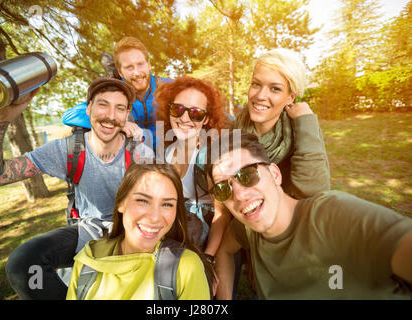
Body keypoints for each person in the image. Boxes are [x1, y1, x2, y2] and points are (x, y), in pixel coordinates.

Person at [0, 78, 153, 299]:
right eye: (103, 104)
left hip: (131, 232)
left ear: (127, 115)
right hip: (86, 232)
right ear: (89, 108)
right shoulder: (68, 150)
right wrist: (0, 118)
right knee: (23, 264)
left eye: (119, 108)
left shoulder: (142, 154)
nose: (111, 115)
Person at [207, 131, 412, 299]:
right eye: (223, 189)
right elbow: (225, 250)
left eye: (247, 175)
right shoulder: (247, 228)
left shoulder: (333, 215)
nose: (240, 195)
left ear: (275, 174)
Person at [66, 163, 212, 299]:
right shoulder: (87, 261)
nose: (155, 217)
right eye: (142, 201)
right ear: (121, 203)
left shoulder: (186, 266)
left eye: (167, 204)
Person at [234, 48, 330, 199]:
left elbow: (313, 190)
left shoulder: (300, 131)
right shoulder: (236, 128)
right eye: (256, 84)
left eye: (275, 89)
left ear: (290, 98)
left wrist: (306, 120)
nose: (260, 96)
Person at [154, 76, 229, 261]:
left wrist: (209, 257)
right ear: (169, 111)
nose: (185, 118)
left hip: (200, 238)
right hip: (170, 230)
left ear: (206, 120)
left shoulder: (209, 158)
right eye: (177, 109)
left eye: (195, 113)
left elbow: (222, 215)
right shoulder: (164, 154)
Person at [63, 36, 171, 150]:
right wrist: (118, 124)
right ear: (120, 72)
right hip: (132, 156)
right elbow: (70, 115)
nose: (137, 72)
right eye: (129, 67)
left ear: (149, 64)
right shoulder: (114, 92)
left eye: (140, 64)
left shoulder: (170, 87)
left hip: (168, 152)